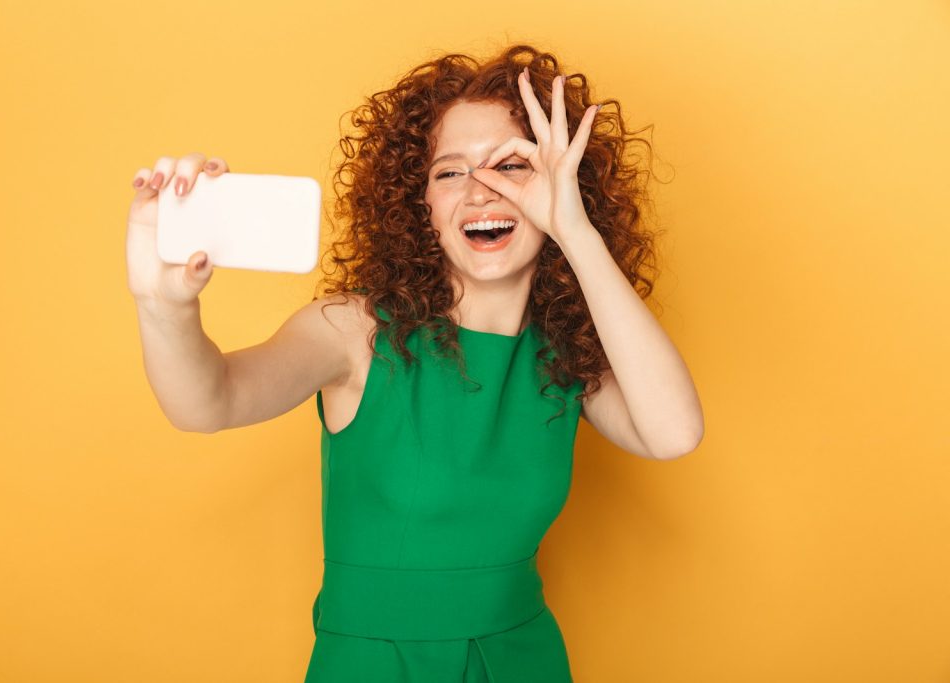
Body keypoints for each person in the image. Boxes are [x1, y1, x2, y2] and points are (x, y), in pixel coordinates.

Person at [127, 44, 703, 683]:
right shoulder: (353, 331)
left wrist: (576, 233)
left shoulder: (566, 355)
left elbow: (673, 433)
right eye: (449, 172)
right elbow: (208, 402)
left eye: (511, 166)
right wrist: (161, 305)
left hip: (523, 662)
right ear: (418, 206)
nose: (480, 190)